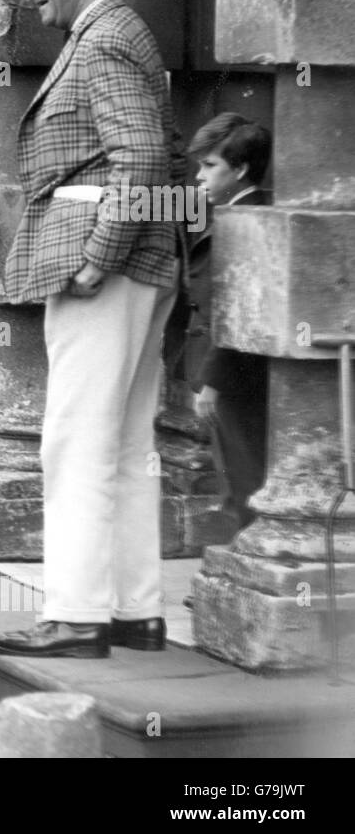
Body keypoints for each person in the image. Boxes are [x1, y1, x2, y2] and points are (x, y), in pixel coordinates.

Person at [0, 0, 184, 659]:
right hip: (142, 262)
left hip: (107, 265)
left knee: (75, 439)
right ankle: (135, 612)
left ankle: (76, 615)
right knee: (129, 442)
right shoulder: (113, 30)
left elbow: (140, 158)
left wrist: (97, 259)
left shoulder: (102, 39)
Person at [181, 113, 272, 530]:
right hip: (222, 367)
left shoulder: (250, 219)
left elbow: (240, 310)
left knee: (244, 476)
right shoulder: (231, 213)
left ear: (240, 170)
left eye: (210, 166)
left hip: (237, 374)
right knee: (234, 474)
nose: (200, 176)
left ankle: (244, 572)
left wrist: (213, 382)